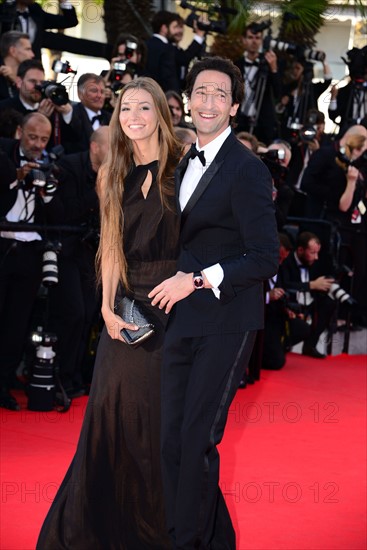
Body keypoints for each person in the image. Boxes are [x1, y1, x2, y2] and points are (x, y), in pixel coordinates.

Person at [36, 77, 182, 549]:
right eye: (125, 110)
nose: (133, 117)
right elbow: (111, 246)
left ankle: (162, 528)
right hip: (125, 310)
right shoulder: (111, 173)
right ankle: (98, 528)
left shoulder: (183, 168)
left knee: (156, 420)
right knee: (110, 413)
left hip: (173, 304)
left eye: (144, 108)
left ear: (161, 112)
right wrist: (106, 307)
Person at [149, 56, 279, 549]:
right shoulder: (182, 160)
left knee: (197, 438)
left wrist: (197, 281)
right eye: (201, 92)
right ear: (186, 99)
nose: (208, 102)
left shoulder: (247, 169)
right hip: (181, 319)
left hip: (226, 319)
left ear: (235, 107)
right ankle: (200, 537)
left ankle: (188, 543)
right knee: (171, 439)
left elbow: (265, 257)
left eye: (219, 95)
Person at [0, 113, 63, 411]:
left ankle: (4, 381)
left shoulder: (51, 166)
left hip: (30, 254)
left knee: (17, 322)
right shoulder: (4, 156)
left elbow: (56, 217)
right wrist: (16, 178)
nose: (37, 145)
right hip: (3, 247)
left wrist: (48, 193)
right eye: (32, 137)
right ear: (19, 132)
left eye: (43, 139)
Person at [47, 126, 110, 397]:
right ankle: (59, 374)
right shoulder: (69, 167)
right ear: (95, 147)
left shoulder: (114, 174)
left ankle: (75, 376)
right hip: (65, 251)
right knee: (74, 314)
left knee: (89, 315)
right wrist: (97, 191)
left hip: (92, 253)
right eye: (112, 146)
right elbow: (62, 212)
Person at [278, 231, 337, 359]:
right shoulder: (286, 261)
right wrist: (311, 285)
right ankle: (283, 345)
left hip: (308, 303)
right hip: (289, 306)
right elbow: (285, 285)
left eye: (317, 253)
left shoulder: (315, 262)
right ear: (300, 250)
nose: (316, 257)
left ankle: (310, 345)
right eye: (312, 253)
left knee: (328, 302)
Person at [235, 22, 281, 144]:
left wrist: (274, 69)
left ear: (262, 40)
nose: (254, 41)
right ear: (243, 40)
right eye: (250, 37)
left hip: (263, 124)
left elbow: (278, 93)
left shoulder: (269, 63)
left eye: (257, 38)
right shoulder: (236, 64)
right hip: (240, 122)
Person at [0, 31, 34, 100]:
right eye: (27, 49)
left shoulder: (26, 74)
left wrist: (15, 80)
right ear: (13, 51)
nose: (32, 55)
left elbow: (31, 99)